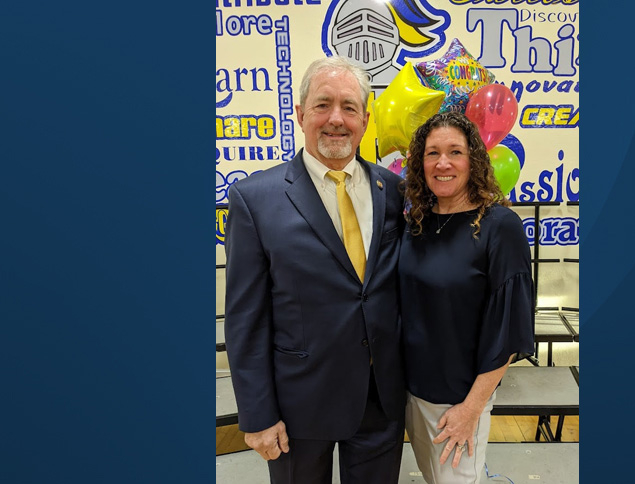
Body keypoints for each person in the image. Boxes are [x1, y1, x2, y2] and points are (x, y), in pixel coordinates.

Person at [224, 56, 406, 483]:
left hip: (379, 401)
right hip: (296, 408)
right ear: (301, 114)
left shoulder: (394, 190)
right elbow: (245, 320)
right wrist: (256, 414)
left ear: (365, 118)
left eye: (349, 107)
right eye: (323, 105)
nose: (336, 119)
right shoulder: (255, 199)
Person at [399, 112, 535, 483]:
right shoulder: (416, 224)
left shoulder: (500, 227)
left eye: (455, 152)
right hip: (411, 393)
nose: (443, 163)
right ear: (419, 162)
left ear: (473, 159)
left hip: (457, 400)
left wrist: (471, 408)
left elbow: (511, 329)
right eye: (432, 153)